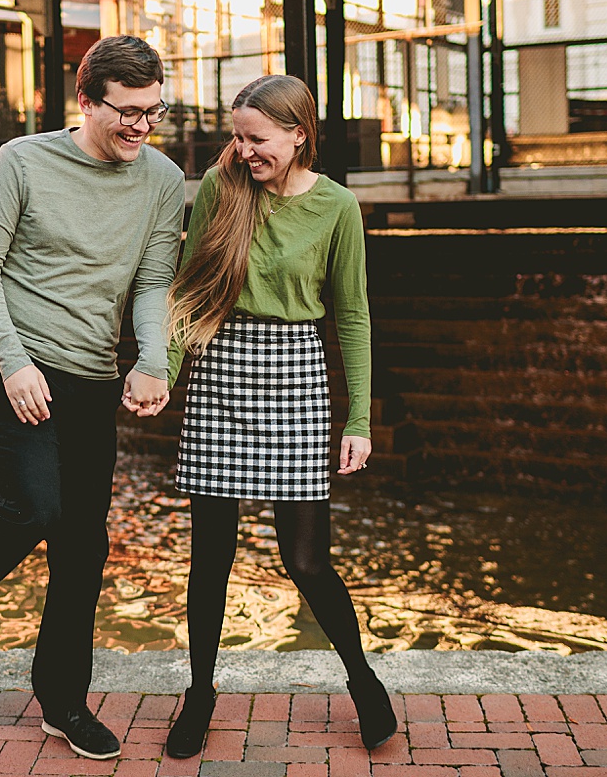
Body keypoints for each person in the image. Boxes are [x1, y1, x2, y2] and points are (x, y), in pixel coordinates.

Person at [0, 35, 185, 761]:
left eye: (154, 111)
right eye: (127, 112)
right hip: (9, 359)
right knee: (31, 506)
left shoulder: (164, 180)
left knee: (83, 549)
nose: (141, 127)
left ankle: (62, 702)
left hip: (90, 373)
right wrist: (13, 360)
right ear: (86, 101)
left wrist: (152, 361)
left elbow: (151, 283)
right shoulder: (22, 160)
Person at [163, 74, 397, 758]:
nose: (243, 150)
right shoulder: (221, 189)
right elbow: (189, 289)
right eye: (237, 136)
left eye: (256, 138)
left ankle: (362, 680)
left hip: (296, 374)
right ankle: (200, 691)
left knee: (307, 561)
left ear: (299, 135)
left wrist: (358, 421)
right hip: (220, 364)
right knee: (211, 556)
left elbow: (352, 314)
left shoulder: (337, 208)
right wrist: (164, 376)